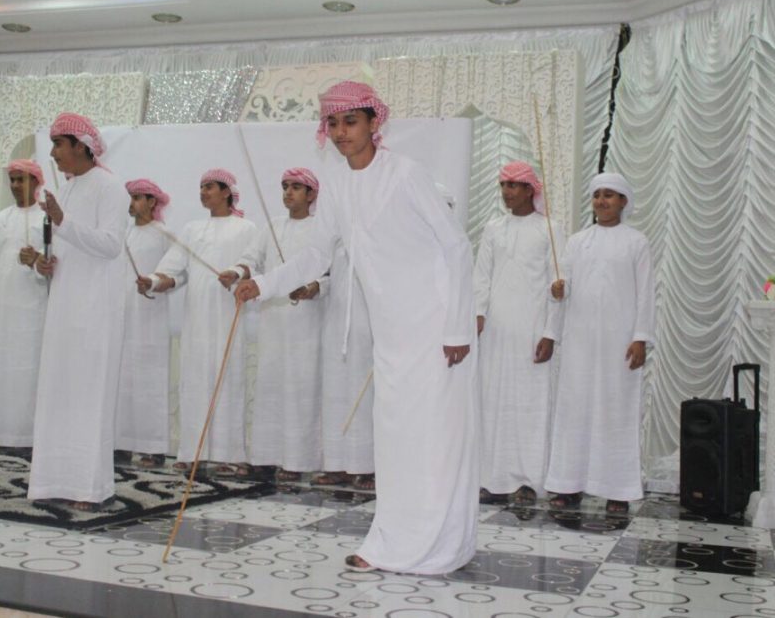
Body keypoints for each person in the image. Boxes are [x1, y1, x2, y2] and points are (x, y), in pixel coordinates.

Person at [235, 81, 479, 574]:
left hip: (435, 327)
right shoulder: (337, 185)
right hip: (390, 331)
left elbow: (456, 247)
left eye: (351, 121)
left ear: (373, 123)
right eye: (333, 123)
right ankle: (391, 541)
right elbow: (315, 254)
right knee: (394, 437)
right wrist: (263, 283)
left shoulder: (406, 173)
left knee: (434, 437)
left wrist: (457, 328)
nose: (342, 131)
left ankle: (439, 545)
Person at [27, 113, 130, 510]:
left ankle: (90, 487)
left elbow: (110, 245)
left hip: (95, 309)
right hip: (63, 305)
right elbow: (64, 244)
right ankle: (52, 481)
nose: (53, 153)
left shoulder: (110, 187)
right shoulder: (66, 189)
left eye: (58, 144)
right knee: (59, 390)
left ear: (81, 146)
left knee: (89, 395)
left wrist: (62, 221)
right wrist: (45, 261)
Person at [544, 172, 655, 515]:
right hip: (580, 341)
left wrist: (640, 338)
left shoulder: (636, 242)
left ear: (623, 201)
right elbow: (563, 287)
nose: (602, 201)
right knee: (574, 410)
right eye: (597, 195)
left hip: (619, 343)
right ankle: (569, 486)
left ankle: (617, 491)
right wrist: (557, 291)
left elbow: (646, 294)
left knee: (615, 410)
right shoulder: (577, 242)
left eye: (609, 195)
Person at [141, 169, 257, 477]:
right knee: (193, 382)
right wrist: (152, 281)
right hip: (196, 320)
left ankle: (229, 455)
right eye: (201, 187)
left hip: (228, 316)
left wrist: (236, 273)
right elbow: (173, 271)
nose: (203, 192)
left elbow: (252, 263)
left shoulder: (247, 228)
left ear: (226, 191)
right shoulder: (192, 229)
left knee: (228, 380)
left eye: (209, 187)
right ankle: (192, 452)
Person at [221, 168, 323, 482]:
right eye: (285, 186)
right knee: (269, 386)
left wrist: (313, 287)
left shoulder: (321, 228)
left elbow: (328, 272)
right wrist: (236, 272)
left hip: (306, 321)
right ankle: (264, 458)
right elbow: (250, 258)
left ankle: (297, 461)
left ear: (311, 194)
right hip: (273, 320)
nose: (288, 192)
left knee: (300, 389)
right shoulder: (272, 226)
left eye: (296, 187)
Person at [473, 161, 564, 506]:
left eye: (513, 185)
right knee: (493, 402)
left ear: (530, 190)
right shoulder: (493, 228)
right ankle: (491, 478)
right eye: (503, 185)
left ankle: (528, 482)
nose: (507, 192)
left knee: (529, 405)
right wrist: (478, 314)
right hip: (496, 332)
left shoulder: (550, 230)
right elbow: (482, 276)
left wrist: (550, 333)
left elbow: (559, 284)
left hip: (532, 331)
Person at [0, 160, 47, 452]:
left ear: (36, 182)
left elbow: (57, 265)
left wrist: (37, 260)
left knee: (26, 370)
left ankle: (24, 436)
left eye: (21, 180)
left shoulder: (46, 220)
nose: (15, 185)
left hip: (32, 310)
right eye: (12, 180)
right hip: (0, 308)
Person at [116, 178, 172, 468]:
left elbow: (174, 274)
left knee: (150, 382)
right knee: (121, 381)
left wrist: (153, 282)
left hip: (151, 317)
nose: (132, 203)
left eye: (137, 197)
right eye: (130, 197)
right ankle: (121, 444)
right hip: (122, 318)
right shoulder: (122, 234)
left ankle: (153, 448)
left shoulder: (164, 234)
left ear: (152, 202)